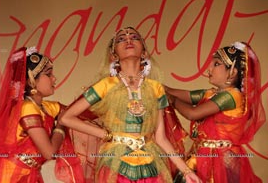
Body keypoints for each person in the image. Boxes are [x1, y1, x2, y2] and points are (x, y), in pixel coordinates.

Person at [59, 27, 201, 183]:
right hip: (115, 163)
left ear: (144, 52)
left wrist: (186, 171)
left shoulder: (156, 88)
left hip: (150, 162)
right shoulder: (106, 85)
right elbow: (67, 118)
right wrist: (107, 135)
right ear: (114, 56)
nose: (128, 40)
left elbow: (160, 138)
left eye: (134, 37)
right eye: (121, 39)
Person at [0, 47, 84, 183]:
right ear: (31, 80)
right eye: (49, 74)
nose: (54, 78)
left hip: (29, 174)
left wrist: (102, 90)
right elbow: (49, 152)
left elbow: (78, 112)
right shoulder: (27, 108)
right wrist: (61, 124)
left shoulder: (46, 107)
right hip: (11, 176)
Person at [165, 42, 266, 182]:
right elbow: (183, 94)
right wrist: (155, 86)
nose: (209, 69)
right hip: (201, 158)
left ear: (233, 72)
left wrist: (170, 99)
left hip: (222, 162)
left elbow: (192, 114)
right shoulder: (211, 94)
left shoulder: (232, 96)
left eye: (216, 64)